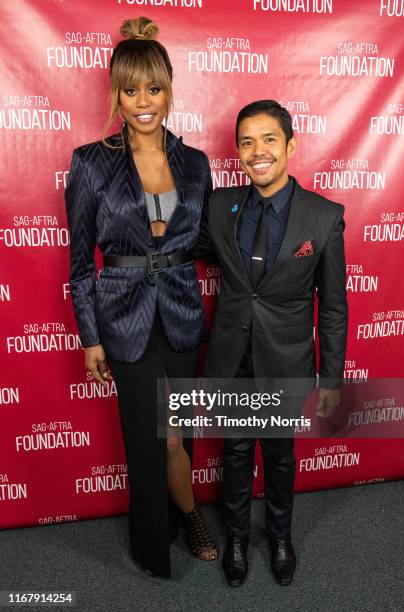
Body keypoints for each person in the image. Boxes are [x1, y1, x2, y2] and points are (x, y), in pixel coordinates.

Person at [65, 16, 217, 579]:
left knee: (178, 434)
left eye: (154, 88)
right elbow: (80, 263)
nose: (143, 101)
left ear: (170, 88)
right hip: (124, 318)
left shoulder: (194, 163)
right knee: (148, 440)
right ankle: (154, 545)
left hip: (180, 315)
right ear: (116, 94)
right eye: (131, 90)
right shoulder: (91, 163)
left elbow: (206, 242)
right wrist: (90, 337)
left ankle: (189, 513)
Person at [194, 100, 347, 586]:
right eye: (245, 141)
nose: (256, 151)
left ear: (290, 146)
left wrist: (332, 376)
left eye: (268, 140)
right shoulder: (220, 205)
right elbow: (181, 247)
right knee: (236, 451)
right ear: (237, 150)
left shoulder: (323, 218)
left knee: (280, 456)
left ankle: (280, 536)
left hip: (286, 360)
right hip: (233, 357)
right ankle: (237, 538)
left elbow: (335, 306)